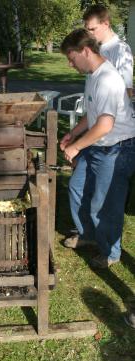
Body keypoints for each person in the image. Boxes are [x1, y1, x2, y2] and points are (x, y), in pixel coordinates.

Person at [60, 28, 135, 269]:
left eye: (72, 58)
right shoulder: (92, 75)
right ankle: (89, 235)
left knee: (104, 205)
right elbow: (92, 115)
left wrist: (75, 148)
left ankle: (111, 252)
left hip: (117, 149)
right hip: (98, 146)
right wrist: (74, 133)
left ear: (85, 51)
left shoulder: (108, 79)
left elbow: (105, 125)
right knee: (76, 187)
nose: (71, 64)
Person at [83, 4, 134, 97]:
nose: (89, 34)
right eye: (87, 30)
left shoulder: (121, 50)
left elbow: (127, 91)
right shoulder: (95, 47)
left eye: (93, 29)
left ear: (106, 24)